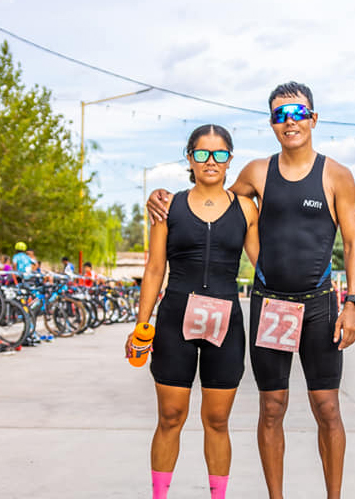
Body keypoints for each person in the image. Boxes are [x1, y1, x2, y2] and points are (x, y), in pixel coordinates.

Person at [148, 82, 355, 499]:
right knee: (271, 408)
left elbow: (354, 243)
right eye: (281, 115)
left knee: (328, 408)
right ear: (271, 123)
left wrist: (352, 303)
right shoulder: (256, 173)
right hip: (272, 306)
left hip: (319, 303)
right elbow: (213, 202)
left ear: (313, 119)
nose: (290, 122)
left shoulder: (336, 175)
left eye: (298, 113)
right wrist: (164, 197)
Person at [128, 124, 259, 499]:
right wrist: (142, 324)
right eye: (202, 153)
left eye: (220, 154)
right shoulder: (167, 205)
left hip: (226, 324)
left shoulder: (246, 209)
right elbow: (155, 268)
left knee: (217, 420)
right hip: (173, 322)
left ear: (230, 159)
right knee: (170, 418)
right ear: (190, 158)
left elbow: (263, 265)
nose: (211, 161)